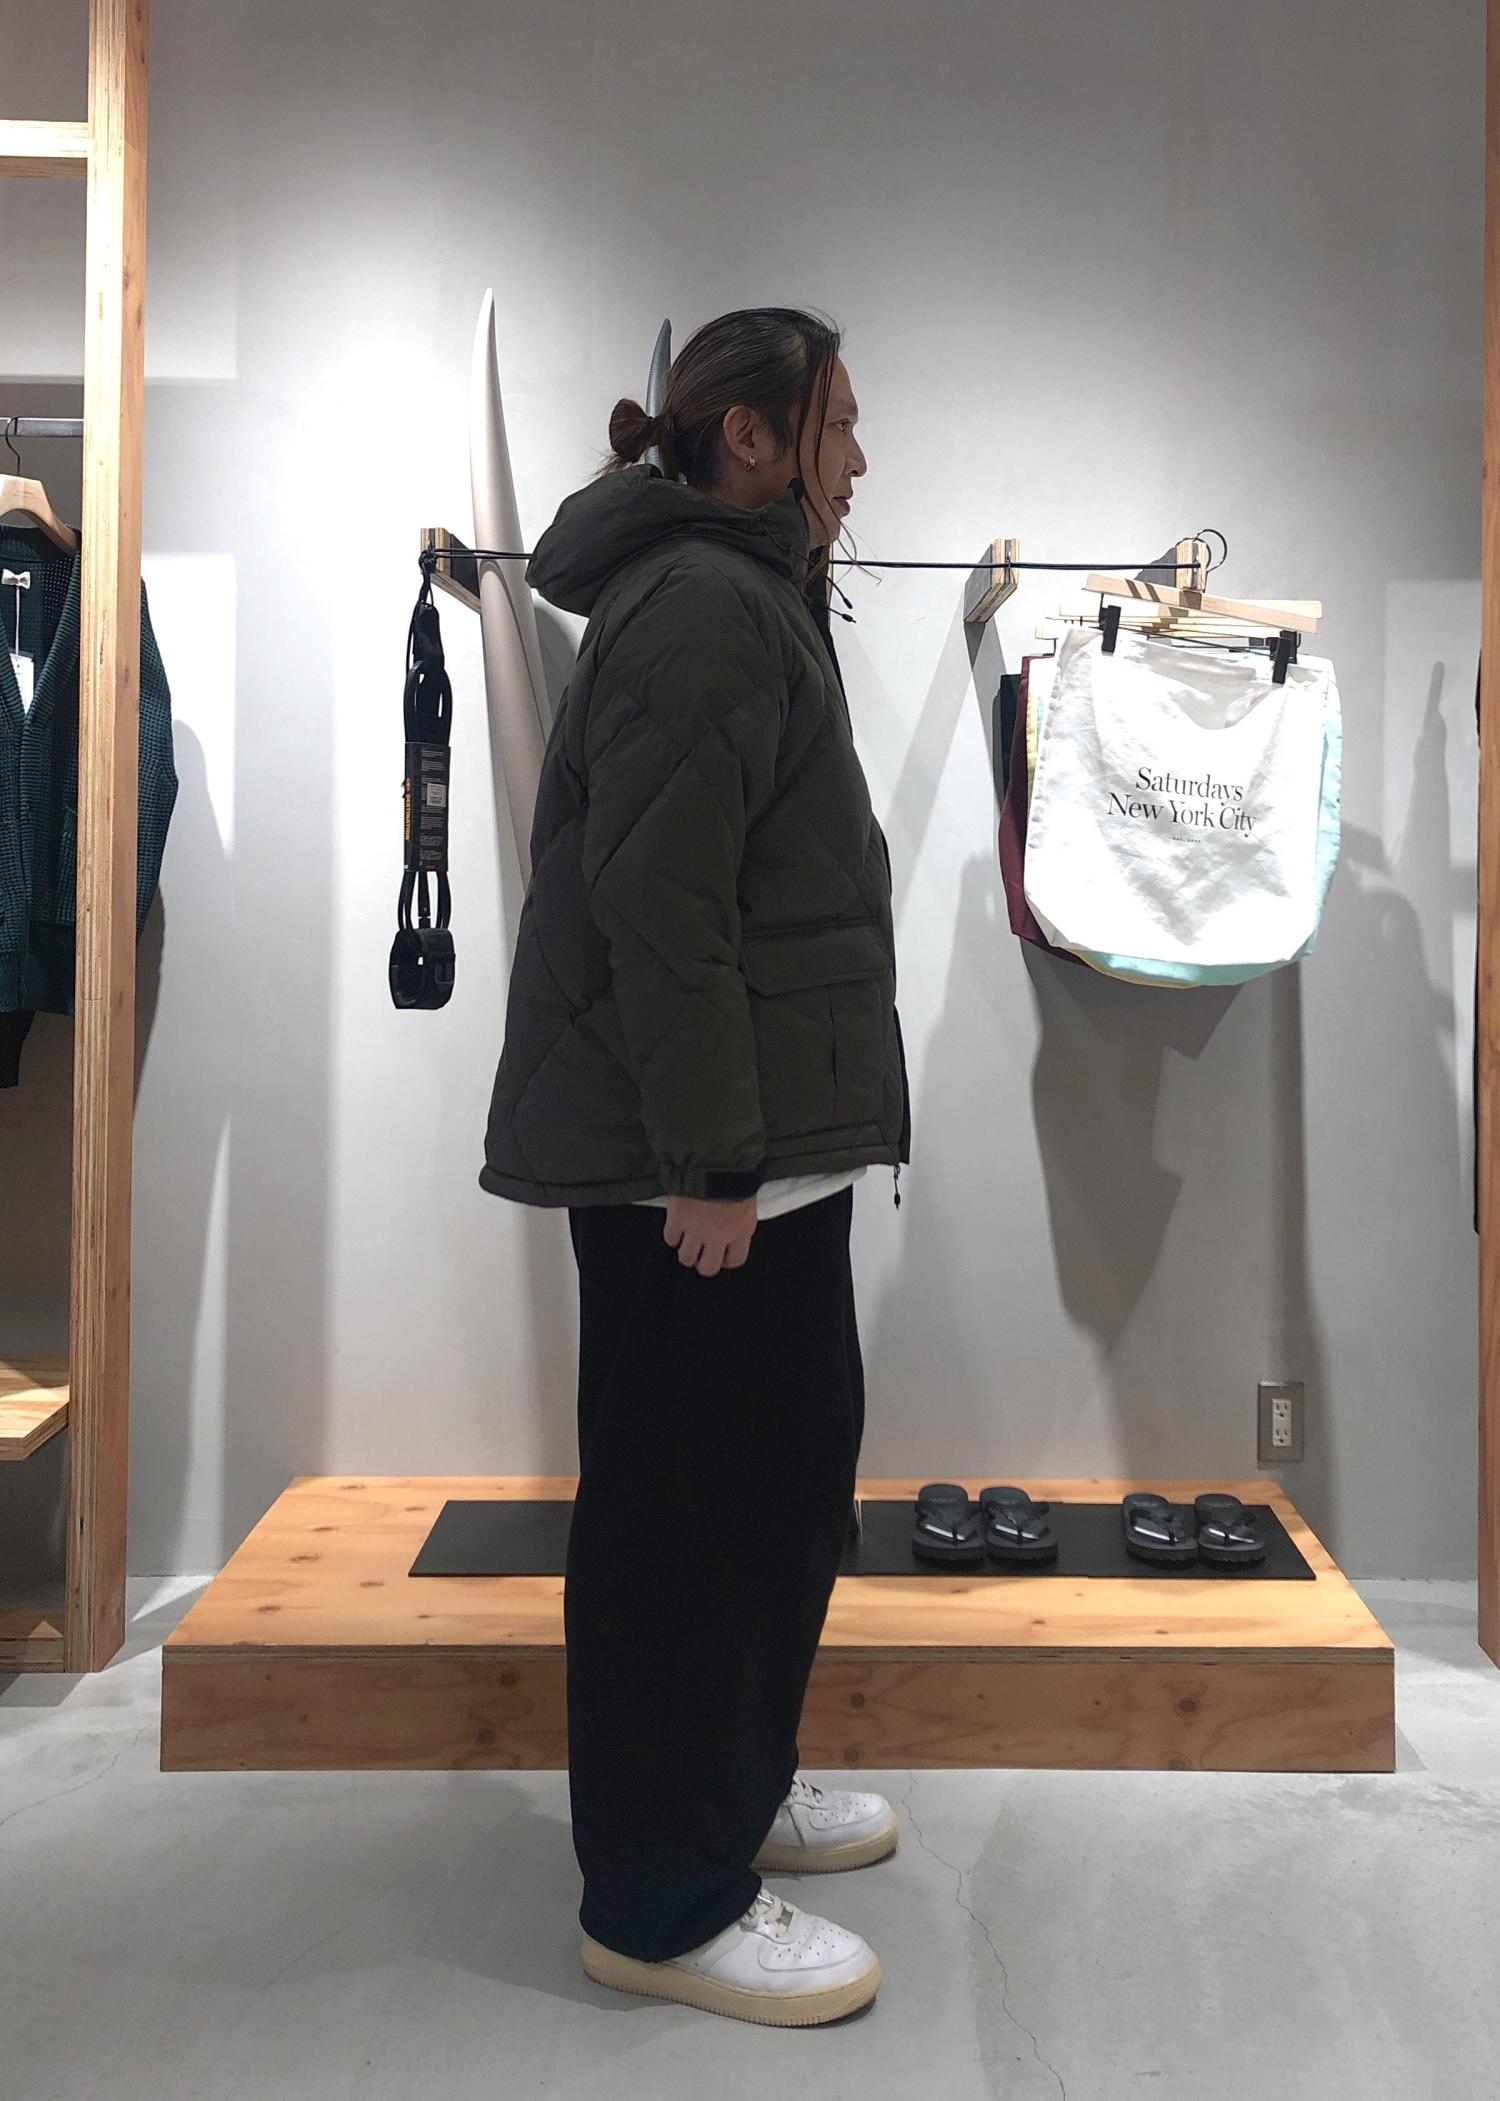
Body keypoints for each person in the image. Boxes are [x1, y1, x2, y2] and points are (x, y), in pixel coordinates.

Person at [480, 306, 911, 2027]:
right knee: (687, 1516)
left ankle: (730, 1789)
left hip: (754, 1160)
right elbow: (663, 908)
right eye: (839, 422)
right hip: (706, 1168)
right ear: (752, 434)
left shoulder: (748, 593)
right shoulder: (702, 608)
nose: (859, 459)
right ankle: (660, 1900)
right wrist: (713, 1157)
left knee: (776, 1490)